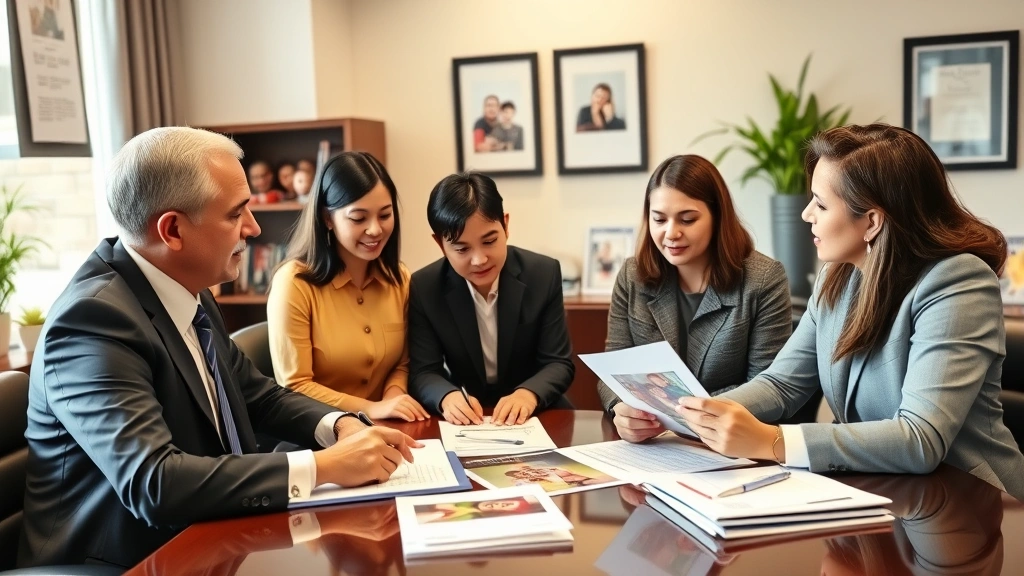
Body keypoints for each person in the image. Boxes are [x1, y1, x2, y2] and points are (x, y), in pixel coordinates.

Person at [17, 127, 420, 569]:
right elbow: (156, 483)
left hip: (219, 536)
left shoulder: (189, 288)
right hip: (130, 560)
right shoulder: (92, 322)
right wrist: (323, 467)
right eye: (236, 213)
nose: (254, 226)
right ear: (172, 230)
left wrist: (339, 425)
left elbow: (258, 395)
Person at [677, 124, 1024, 500]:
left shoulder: (958, 282)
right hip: (882, 495)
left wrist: (774, 441)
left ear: (872, 221)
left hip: (972, 507)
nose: (806, 214)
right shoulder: (837, 275)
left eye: (821, 204)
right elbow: (783, 383)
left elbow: (920, 439)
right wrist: (691, 415)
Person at [600, 154, 792, 443]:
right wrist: (621, 409)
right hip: (654, 446)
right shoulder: (632, 275)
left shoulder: (762, 280)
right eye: (659, 219)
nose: (671, 233)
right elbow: (612, 369)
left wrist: (681, 414)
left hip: (732, 445)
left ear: (717, 217)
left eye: (687, 219)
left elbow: (766, 388)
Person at [268, 151, 429, 422]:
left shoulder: (398, 278)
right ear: (327, 218)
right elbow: (294, 386)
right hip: (318, 433)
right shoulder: (294, 283)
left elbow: (402, 363)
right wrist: (370, 408)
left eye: (385, 215)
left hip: (385, 428)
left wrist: (392, 396)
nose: (376, 230)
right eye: (359, 218)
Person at [408, 172, 574, 425]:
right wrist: (447, 396)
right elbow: (423, 371)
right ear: (440, 244)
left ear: (505, 225)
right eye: (462, 249)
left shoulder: (543, 273)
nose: (479, 259)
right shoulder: (425, 286)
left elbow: (558, 362)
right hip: (467, 412)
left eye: (489, 241)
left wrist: (528, 394)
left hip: (534, 409)